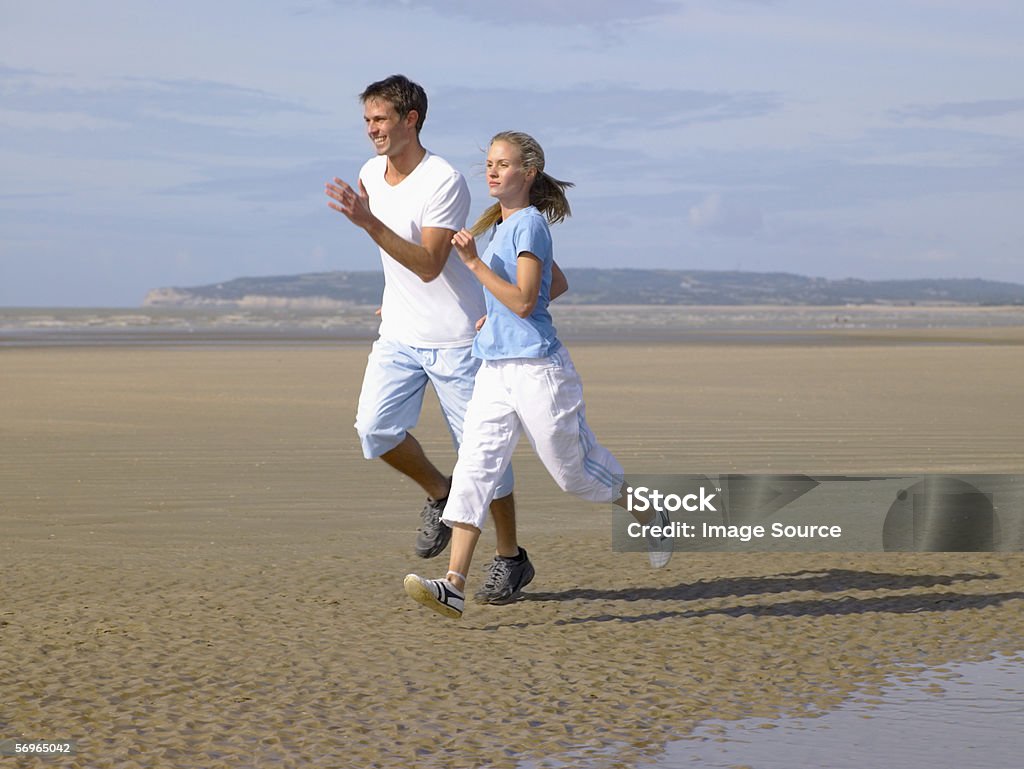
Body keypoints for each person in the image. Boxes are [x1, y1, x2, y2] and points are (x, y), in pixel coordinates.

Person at [403, 131, 673, 620]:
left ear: (527, 173)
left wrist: (475, 267)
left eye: (502, 165)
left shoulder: (529, 225)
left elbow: (527, 301)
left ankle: (651, 513)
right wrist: (494, 314)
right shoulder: (503, 226)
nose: (491, 171)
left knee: (574, 476)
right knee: (474, 469)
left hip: (539, 371)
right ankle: (454, 583)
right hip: (496, 370)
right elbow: (553, 284)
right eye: (488, 163)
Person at [325, 76, 565, 603]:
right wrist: (392, 293)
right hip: (400, 336)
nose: (372, 131)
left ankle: (510, 559)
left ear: (411, 119)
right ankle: (440, 492)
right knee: (375, 431)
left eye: (381, 119)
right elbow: (400, 263)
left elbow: (431, 264)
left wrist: (367, 222)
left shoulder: (444, 181)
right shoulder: (372, 173)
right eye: (367, 120)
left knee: (484, 458)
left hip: (458, 340)